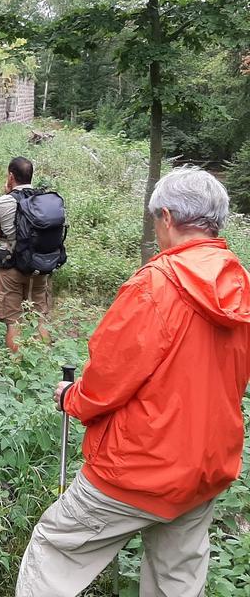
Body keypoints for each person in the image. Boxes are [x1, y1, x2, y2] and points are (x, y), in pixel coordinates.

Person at [16, 167, 250, 597]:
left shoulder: (155, 285)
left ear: (166, 217)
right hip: (205, 464)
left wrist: (74, 399)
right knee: (176, 576)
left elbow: (109, 378)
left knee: (56, 549)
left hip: (140, 467)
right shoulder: (238, 284)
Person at [0, 156, 51, 351]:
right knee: (39, 318)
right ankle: (43, 361)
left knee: (13, 320)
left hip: (11, 267)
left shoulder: (2, 202)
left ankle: (16, 366)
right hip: (40, 267)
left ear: (10, 176)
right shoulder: (45, 201)